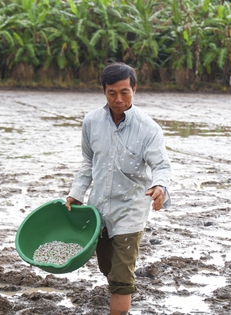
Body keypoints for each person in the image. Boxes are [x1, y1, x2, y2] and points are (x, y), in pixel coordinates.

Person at [65, 61, 171, 315]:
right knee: (108, 268)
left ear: (135, 89)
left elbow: (162, 166)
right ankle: (120, 287)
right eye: (112, 93)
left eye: (125, 92)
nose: (119, 99)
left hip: (130, 212)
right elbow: (88, 162)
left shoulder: (148, 129)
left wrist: (160, 187)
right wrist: (76, 194)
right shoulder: (91, 122)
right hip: (99, 210)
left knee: (121, 281)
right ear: (104, 91)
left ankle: (122, 296)